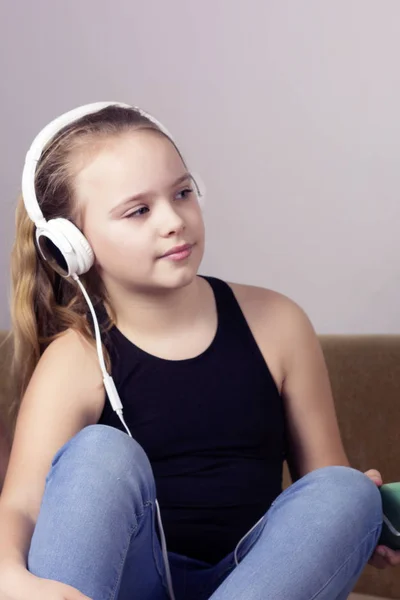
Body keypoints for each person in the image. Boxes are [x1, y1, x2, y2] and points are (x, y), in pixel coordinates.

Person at [0, 102, 397, 600]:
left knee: (348, 489)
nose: (173, 220)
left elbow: (322, 483)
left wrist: (361, 521)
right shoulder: (75, 358)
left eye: (183, 193)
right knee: (100, 453)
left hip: (252, 582)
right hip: (127, 584)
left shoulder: (278, 324)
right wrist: (8, 575)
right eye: (139, 210)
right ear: (70, 244)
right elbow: (22, 508)